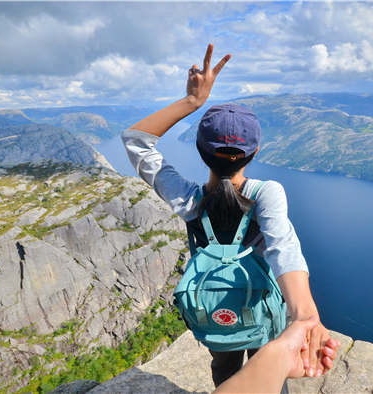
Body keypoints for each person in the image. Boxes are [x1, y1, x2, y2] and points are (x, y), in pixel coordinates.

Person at [122, 43, 340, 388]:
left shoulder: (188, 199)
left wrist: (192, 102)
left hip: (214, 311)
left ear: (199, 150)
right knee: (269, 366)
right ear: (254, 152)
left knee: (224, 367)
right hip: (262, 308)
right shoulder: (266, 194)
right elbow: (283, 249)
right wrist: (306, 316)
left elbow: (135, 141)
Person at [214, 319, 337, 394]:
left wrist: (307, 316)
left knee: (225, 367)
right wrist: (278, 356)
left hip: (221, 323)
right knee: (226, 366)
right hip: (219, 323)